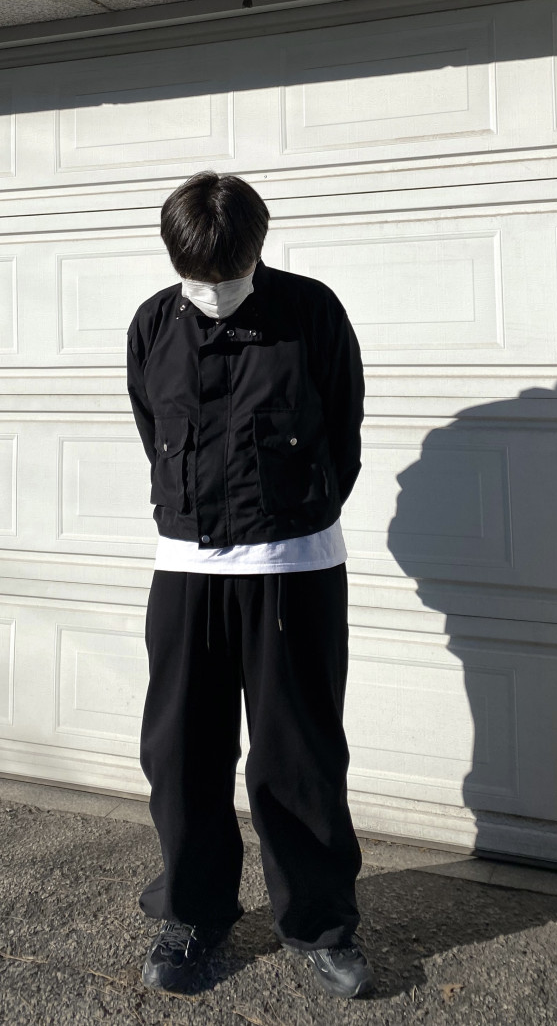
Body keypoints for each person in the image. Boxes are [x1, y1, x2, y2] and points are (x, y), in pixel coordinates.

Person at [125, 170, 373, 999]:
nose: (213, 291)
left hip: (292, 567)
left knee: (299, 755)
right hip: (186, 568)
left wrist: (294, 512)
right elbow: (152, 427)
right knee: (180, 753)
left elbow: (343, 430)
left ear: (256, 253)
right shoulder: (153, 324)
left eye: (227, 276)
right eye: (197, 277)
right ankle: (193, 912)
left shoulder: (311, 313)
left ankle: (320, 921)